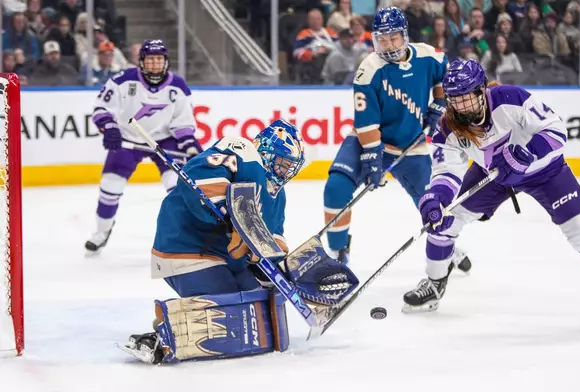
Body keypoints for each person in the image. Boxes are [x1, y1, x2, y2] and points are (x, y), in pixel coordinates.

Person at [402, 59, 580, 318]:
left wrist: (526, 154)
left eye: (467, 97)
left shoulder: (510, 98)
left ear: (482, 89)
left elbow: (556, 129)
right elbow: (446, 171)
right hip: (493, 176)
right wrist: (436, 198)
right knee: (446, 221)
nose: (461, 106)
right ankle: (435, 282)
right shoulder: (447, 126)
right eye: (455, 99)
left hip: (545, 172)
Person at [120, 120, 356, 363]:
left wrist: (290, 273)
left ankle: (187, 316)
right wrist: (225, 210)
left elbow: (271, 240)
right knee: (234, 316)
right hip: (186, 248)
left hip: (227, 258)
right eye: (282, 164)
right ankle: (163, 331)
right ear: (266, 151)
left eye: (290, 168)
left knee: (262, 308)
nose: (285, 172)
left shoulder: (277, 195)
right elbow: (198, 176)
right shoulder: (242, 152)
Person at [322, 7, 471, 273]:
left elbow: (445, 76)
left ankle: (446, 245)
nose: (388, 44)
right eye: (382, 38)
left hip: (411, 145)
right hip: (368, 141)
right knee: (336, 187)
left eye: (394, 38)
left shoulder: (428, 55)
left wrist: (439, 102)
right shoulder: (369, 69)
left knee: (433, 203)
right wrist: (372, 157)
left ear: (405, 36)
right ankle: (338, 251)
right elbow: (366, 122)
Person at [84, 39, 203, 254]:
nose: (155, 64)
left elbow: (183, 123)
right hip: (129, 138)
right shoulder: (122, 80)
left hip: (165, 140)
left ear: (166, 62)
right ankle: (102, 231)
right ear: (141, 62)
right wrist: (109, 127)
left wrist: (189, 145)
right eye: (150, 60)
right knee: (111, 185)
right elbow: (101, 107)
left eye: (159, 60)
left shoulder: (178, 86)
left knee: (177, 188)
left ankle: (183, 236)